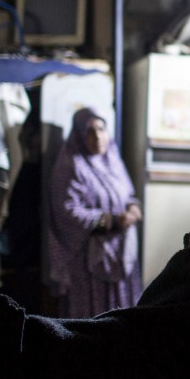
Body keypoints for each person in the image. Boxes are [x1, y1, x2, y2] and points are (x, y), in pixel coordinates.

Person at [47, 107, 144, 317]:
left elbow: (126, 194)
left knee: (122, 312)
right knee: (95, 315)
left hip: (120, 253)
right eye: (90, 131)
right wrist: (112, 220)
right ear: (79, 135)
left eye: (101, 129)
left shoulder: (112, 160)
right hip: (89, 261)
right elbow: (67, 212)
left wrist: (133, 207)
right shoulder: (70, 165)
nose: (97, 137)